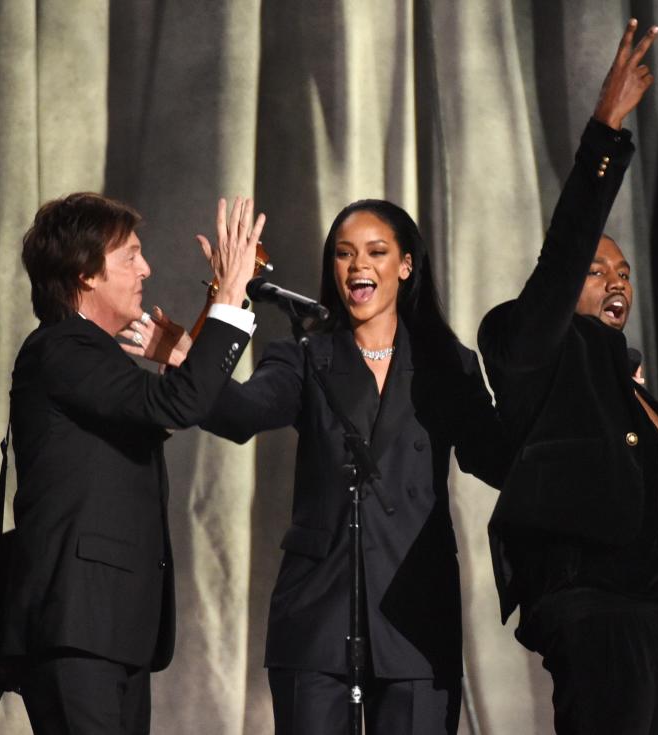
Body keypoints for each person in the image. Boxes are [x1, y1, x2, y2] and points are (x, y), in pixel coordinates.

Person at [130, 199, 510, 734]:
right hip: (319, 616)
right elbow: (244, 414)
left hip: (415, 615)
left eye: (376, 252)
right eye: (344, 254)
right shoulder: (305, 355)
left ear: (405, 266)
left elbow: (494, 457)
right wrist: (188, 358)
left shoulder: (448, 365)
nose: (358, 266)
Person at [477, 20, 658, 734]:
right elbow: (562, 260)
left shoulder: (646, 397)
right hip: (605, 621)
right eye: (597, 272)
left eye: (622, 273)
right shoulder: (526, 344)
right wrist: (604, 131)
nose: (615, 280)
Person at [3, 193, 265, 734]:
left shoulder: (90, 355)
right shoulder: (60, 349)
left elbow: (163, 414)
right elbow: (174, 406)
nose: (146, 268)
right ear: (85, 274)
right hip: (76, 625)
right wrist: (232, 294)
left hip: (111, 627)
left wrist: (186, 350)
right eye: (130, 256)